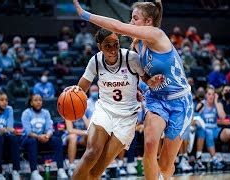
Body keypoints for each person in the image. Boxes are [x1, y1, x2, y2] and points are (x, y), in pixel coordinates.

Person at [72, 0, 193, 179]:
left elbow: (118, 27)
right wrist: (143, 86)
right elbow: (141, 76)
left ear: (148, 22)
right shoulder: (137, 44)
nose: (131, 22)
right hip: (157, 98)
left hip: (179, 101)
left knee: (166, 166)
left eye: (135, 18)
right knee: (150, 144)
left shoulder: (156, 35)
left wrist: (85, 15)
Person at [67, 28, 163, 180]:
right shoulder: (95, 61)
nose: (113, 50)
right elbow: (81, 88)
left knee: (98, 169)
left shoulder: (131, 58)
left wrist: (153, 81)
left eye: (115, 44)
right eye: (107, 46)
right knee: (92, 153)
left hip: (127, 117)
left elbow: (146, 80)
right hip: (104, 110)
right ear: (100, 47)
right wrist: (75, 91)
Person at [20, 94, 68, 180]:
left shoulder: (46, 112)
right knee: (32, 141)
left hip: (43, 138)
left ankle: (61, 169)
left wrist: (47, 136)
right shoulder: (26, 113)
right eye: (36, 100)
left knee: (57, 140)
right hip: (29, 139)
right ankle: (34, 172)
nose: (38, 102)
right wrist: (39, 137)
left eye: (40, 100)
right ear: (31, 103)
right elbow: (28, 132)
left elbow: (50, 128)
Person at [195, 87, 230, 169]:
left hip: (215, 130)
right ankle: (215, 159)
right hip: (204, 130)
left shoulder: (218, 104)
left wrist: (216, 102)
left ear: (215, 95)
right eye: (209, 94)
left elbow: (222, 117)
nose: (211, 96)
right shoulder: (201, 104)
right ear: (205, 95)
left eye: (213, 94)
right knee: (208, 132)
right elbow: (195, 118)